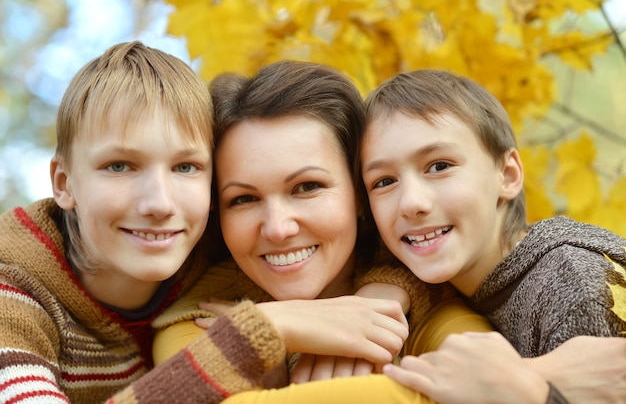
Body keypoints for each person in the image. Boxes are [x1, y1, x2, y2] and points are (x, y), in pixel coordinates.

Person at [0, 43, 408, 404]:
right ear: (63, 182)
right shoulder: (12, 296)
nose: (159, 203)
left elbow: (394, 243)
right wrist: (265, 330)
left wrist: (388, 290)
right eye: (119, 166)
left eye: (185, 166)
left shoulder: (203, 249)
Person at [152, 60, 491, 381]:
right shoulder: (197, 315)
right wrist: (265, 330)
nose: (278, 228)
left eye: (307, 187)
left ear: (360, 192)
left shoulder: (423, 292)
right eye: (244, 199)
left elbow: (489, 384)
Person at [359, 68, 626, 401]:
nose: (411, 203)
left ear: (508, 175)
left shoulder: (572, 286)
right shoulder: (451, 271)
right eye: (384, 181)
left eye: (439, 165)